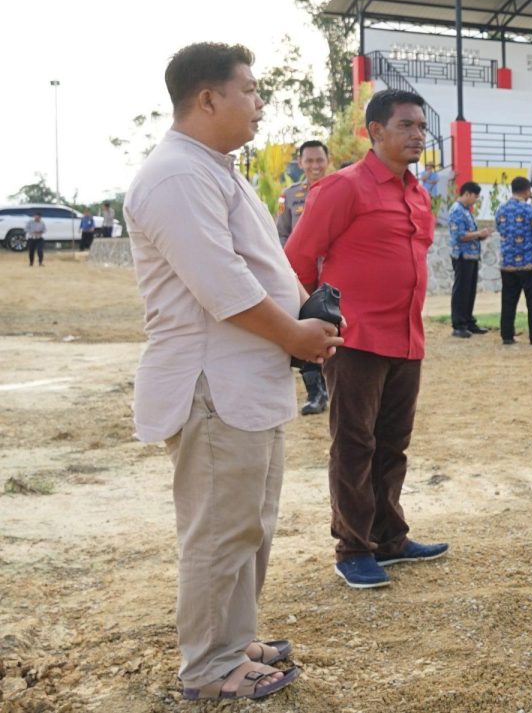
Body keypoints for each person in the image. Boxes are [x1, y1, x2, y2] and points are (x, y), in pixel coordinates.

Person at [125, 42, 340, 700]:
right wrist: (297, 335)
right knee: (219, 529)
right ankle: (211, 667)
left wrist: (301, 312)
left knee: (247, 521)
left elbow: (255, 266)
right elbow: (224, 288)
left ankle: (232, 636)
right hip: (211, 383)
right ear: (207, 98)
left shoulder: (213, 167)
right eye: (249, 90)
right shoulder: (175, 175)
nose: (260, 103)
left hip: (244, 380)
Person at [284, 88, 449, 590]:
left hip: (407, 338)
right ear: (375, 132)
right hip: (355, 339)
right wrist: (320, 320)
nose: (418, 134)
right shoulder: (342, 188)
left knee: (393, 444)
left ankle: (390, 537)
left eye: (422, 126)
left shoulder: (418, 193)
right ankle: (353, 547)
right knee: (355, 443)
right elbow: (297, 257)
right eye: (406, 125)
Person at [276, 139, 333, 415]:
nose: (314, 166)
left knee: (337, 328)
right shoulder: (289, 196)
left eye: (319, 160)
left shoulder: (339, 190)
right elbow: (282, 233)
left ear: (327, 160)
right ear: (300, 163)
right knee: (305, 325)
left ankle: (337, 387)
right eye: (308, 161)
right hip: (301, 277)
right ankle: (315, 393)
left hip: (332, 273)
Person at [495, 176, 532, 344]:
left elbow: (499, 228)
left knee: (508, 300)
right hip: (528, 262)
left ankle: (507, 335)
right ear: (527, 190)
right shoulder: (530, 210)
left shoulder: (501, 209)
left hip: (508, 262)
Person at [447, 181, 492, 338]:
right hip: (462, 256)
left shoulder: (465, 210)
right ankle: (458, 324)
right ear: (466, 194)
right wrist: (479, 234)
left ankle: (468, 321)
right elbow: (459, 235)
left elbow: (469, 233)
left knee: (469, 291)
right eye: (475, 197)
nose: (475, 200)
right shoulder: (457, 211)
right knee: (461, 290)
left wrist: (480, 236)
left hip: (471, 255)